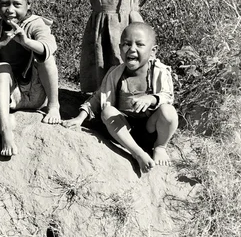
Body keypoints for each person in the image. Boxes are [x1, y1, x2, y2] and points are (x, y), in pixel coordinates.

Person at [62, 23, 178, 173]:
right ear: (120, 48)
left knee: (168, 111)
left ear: (153, 51)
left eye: (140, 44)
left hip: (151, 128)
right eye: (127, 44)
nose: (132, 49)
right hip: (125, 130)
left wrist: (151, 99)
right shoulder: (115, 74)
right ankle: (138, 153)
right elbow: (98, 98)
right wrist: (79, 117)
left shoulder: (159, 71)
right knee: (108, 112)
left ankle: (160, 146)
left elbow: (167, 96)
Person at [0, 0, 61, 157]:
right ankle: (5, 130)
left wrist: (26, 41)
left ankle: (54, 105)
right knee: (0, 68)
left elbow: (48, 46)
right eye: (4, 3)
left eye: (17, 4)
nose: (10, 10)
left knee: (46, 57)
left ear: (28, 4)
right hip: (10, 97)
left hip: (35, 92)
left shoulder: (35, 24)